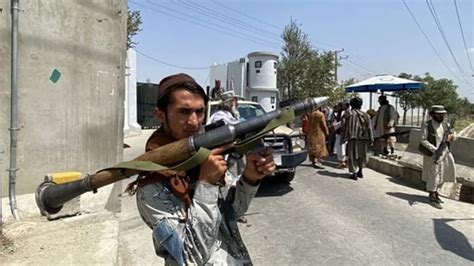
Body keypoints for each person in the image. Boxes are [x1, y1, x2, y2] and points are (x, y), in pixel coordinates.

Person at [130, 73, 276, 264]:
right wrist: (206, 185)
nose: (194, 122)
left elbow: (231, 214)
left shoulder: (202, 159)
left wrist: (250, 178)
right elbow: (190, 256)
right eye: (183, 112)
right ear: (160, 115)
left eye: (199, 112)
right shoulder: (151, 187)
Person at [419, 105, 456, 209]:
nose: (440, 116)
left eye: (442, 114)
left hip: (445, 152)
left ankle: (436, 193)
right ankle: (432, 195)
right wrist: (435, 150)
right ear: (432, 114)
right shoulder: (427, 125)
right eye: (438, 114)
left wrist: (452, 137)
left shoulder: (445, 125)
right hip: (432, 154)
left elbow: (453, 135)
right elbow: (423, 140)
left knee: (444, 173)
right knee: (433, 175)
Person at [342, 97, 374, 180]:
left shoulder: (348, 114)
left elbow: (343, 126)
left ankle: (354, 173)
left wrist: (343, 137)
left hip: (352, 138)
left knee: (352, 156)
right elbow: (369, 128)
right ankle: (360, 171)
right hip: (363, 138)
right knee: (362, 155)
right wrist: (371, 139)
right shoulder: (366, 115)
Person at [334, 102, 349, 168]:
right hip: (343, 132)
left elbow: (342, 122)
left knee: (341, 148)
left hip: (342, 133)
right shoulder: (342, 112)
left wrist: (335, 125)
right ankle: (343, 162)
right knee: (342, 147)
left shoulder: (344, 113)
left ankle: (342, 162)